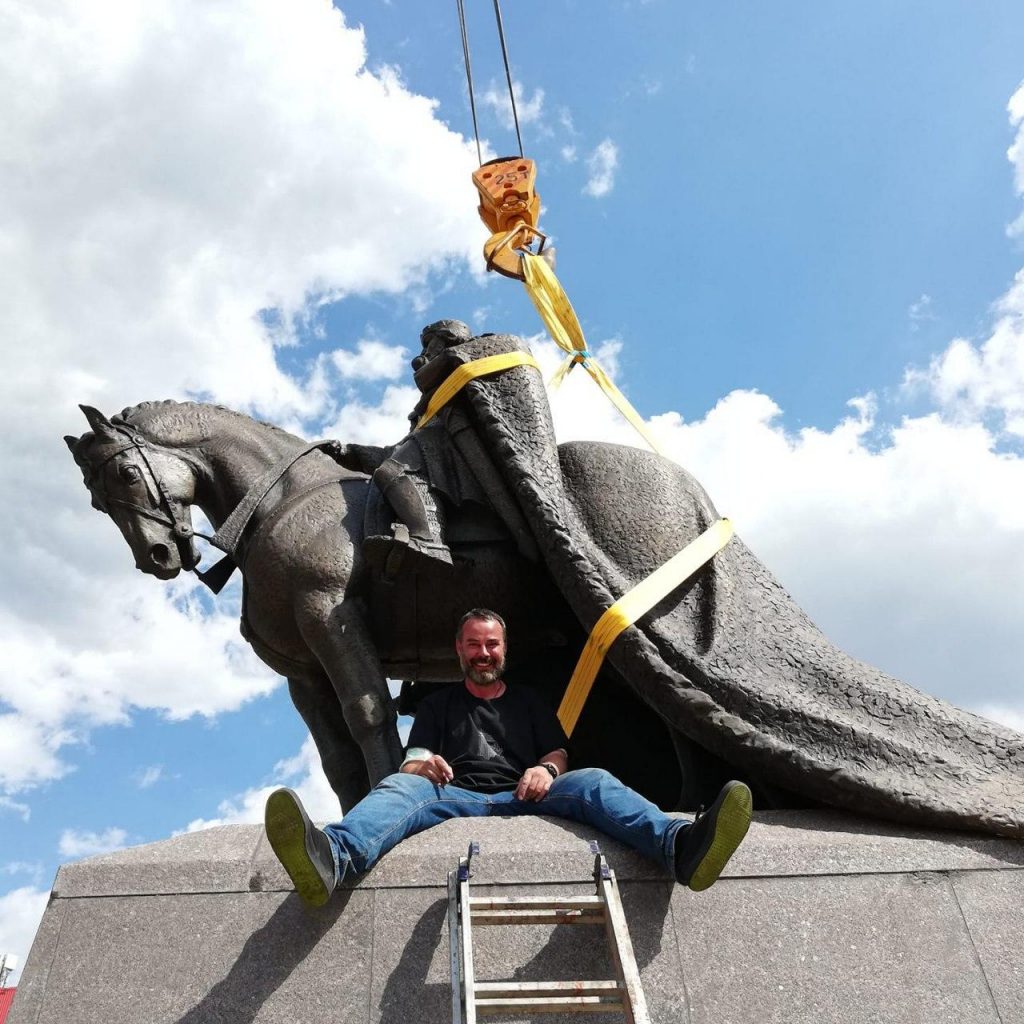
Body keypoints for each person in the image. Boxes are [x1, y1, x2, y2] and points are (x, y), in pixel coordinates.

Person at [264, 608, 753, 908]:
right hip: (452, 796)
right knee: (400, 786)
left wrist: (545, 770)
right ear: (459, 650)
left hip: (526, 793)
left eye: (491, 644)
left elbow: (559, 751)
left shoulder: (530, 702)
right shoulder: (437, 705)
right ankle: (332, 857)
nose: (483, 652)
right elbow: (412, 759)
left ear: (504, 649)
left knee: (594, 779)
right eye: (473, 644)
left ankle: (681, 847)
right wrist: (423, 766)